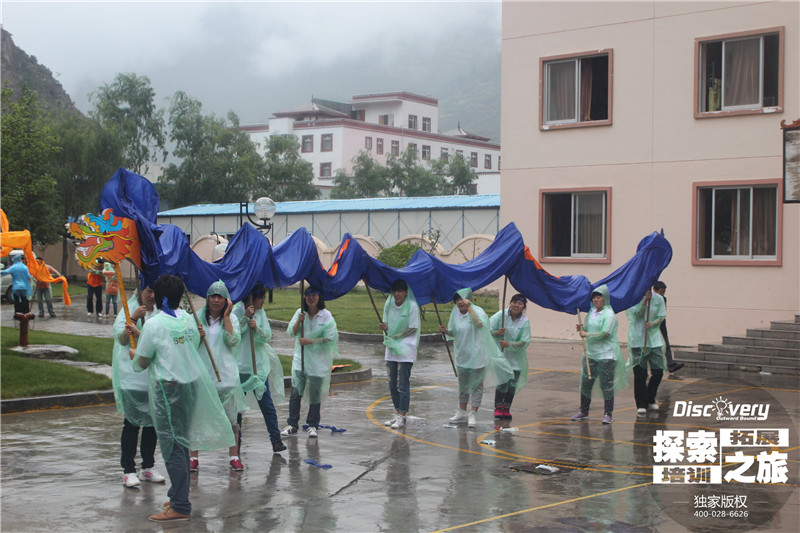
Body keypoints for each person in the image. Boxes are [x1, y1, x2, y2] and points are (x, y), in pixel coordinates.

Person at [131, 274, 234, 523]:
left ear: (161, 296)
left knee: (174, 447)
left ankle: (180, 505)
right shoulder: (189, 320)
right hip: (190, 386)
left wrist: (135, 352)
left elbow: (142, 361)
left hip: (169, 390)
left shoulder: (155, 324)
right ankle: (177, 495)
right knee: (182, 444)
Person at [190, 280, 248, 471]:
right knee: (197, 418)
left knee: (232, 421)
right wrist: (196, 334)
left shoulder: (231, 320)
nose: (216, 300)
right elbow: (189, 345)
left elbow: (233, 341)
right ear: (207, 298)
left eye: (220, 296)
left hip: (227, 377)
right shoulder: (197, 318)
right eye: (213, 296)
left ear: (226, 300)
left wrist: (227, 317)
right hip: (204, 377)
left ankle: (233, 456)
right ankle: (193, 457)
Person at [113, 285, 165, 487]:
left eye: (154, 292)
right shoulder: (128, 308)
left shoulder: (160, 312)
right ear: (140, 291)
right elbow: (121, 337)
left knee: (152, 425)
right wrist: (133, 318)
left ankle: (148, 466)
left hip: (153, 377)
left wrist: (140, 332)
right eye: (148, 291)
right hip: (132, 377)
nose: (152, 296)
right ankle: (128, 469)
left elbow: (161, 341)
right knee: (132, 424)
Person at [438, 288, 513, 428]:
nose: (459, 302)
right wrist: (446, 331)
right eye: (457, 300)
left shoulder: (478, 312)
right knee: (463, 386)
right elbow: (454, 333)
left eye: (462, 299)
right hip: (462, 355)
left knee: (476, 386)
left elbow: (480, 325)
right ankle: (462, 412)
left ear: (468, 299)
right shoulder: (455, 314)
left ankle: (473, 413)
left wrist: (470, 309)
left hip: (478, 355)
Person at [232, 283, 287, 457]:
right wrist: (244, 319)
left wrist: (256, 327)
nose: (263, 301)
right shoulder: (236, 312)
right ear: (252, 298)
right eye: (261, 298)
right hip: (241, 366)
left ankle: (276, 440)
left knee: (267, 405)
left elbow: (267, 337)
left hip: (259, 367)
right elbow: (232, 336)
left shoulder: (261, 313)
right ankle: (236, 444)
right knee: (238, 408)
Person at [282, 287, 338, 438]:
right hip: (301, 360)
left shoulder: (325, 316)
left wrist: (311, 341)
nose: (311, 298)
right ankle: (292, 424)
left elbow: (330, 337)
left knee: (314, 394)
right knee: (295, 393)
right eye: (308, 295)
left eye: (314, 295)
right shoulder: (300, 313)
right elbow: (292, 332)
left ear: (319, 297)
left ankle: (312, 424)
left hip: (318, 362)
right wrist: (298, 322)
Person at [573, 284, 627, 424]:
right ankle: (583, 411)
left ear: (605, 299)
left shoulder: (609, 315)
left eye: (599, 297)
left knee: (606, 384)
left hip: (606, 355)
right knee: (586, 383)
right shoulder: (591, 313)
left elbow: (605, 334)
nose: (596, 300)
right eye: (594, 298)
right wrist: (582, 328)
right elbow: (590, 329)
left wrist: (587, 334)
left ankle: (608, 413)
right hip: (591, 354)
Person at [379, 279, 420, 429]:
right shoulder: (389, 304)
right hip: (391, 347)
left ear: (405, 292)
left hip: (406, 348)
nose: (397, 294)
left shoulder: (412, 306)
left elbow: (413, 327)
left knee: (403, 383)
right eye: (395, 291)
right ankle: (397, 413)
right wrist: (385, 327)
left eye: (400, 291)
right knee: (392, 383)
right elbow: (386, 324)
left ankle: (402, 415)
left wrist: (398, 335)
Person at [489, 293, 532, 420]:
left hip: (516, 359)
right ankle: (498, 408)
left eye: (520, 303)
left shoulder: (524, 321)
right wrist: (497, 333)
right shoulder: (500, 315)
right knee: (502, 382)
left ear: (524, 307)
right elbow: (487, 330)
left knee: (512, 384)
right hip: (501, 356)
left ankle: (506, 408)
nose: (516, 305)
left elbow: (525, 342)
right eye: (514, 302)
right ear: (510, 303)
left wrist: (509, 344)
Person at [627, 288, 667, 415]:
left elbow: (661, 316)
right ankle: (641, 403)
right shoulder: (633, 297)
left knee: (658, 371)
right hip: (638, 339)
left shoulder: (658, 298)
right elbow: (638, 314)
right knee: (640, 373)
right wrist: (645, 300)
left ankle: (650, 397)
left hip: (654, 339)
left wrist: (653, 323)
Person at [653, 281, 684, 374]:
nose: (662, 294)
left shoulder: (663, 299)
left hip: (661, 325)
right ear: (655, 290)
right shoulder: (649, 299)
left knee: (666, 344)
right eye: (661, 292)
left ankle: (671, 364)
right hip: (651, 326)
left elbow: (662, 314)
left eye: (663, 292)